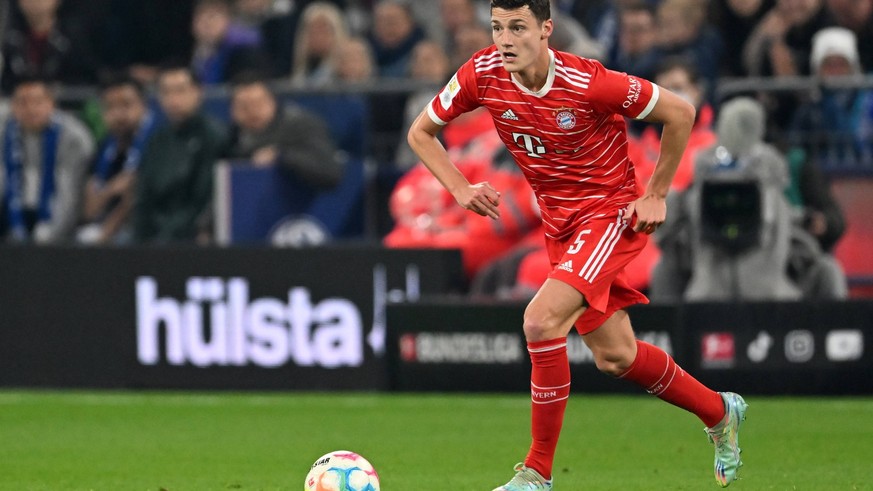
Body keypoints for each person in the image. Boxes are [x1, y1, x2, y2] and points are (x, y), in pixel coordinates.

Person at [406, 1, 748, 489]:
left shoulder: (589, 82)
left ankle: (536, 474)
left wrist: (654, 193)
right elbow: (422, 132)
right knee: (616, 356)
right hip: (560, 227)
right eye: (498, 27)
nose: (505, 39)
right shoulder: (481, 73)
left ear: (546, 30)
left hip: (609, 214)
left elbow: (681, 111)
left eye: (518, 28)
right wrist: (460, 187)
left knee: (540, 320)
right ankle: (720, 411)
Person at [134, 65, 227, 244]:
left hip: (190, 238)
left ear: (198, 92)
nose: (173, 99)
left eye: (180, 91)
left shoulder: (214, 137)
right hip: (153, 234)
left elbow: (203, 200)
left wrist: (167, 236)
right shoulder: (157, 140)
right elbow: (144, 196)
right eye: (166, 92)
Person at [0, 76, 94, 243]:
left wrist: (48, 240)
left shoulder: (73, 137)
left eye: (38, 101)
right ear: (13, 106)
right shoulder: (4, 131)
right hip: (9, 212)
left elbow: (69, 194)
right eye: (23, 102)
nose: (31, 109)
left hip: (58, 217)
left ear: (51, 103)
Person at [225, 73, 344, 188]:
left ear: (272, 101)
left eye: (258, 104)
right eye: (244, 106)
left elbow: (330, 173)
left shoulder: (301, 126)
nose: (253, 112)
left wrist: (282, 156)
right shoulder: (229, 138)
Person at [78, 75, 157, 245]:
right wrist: (111, 190)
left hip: (144, 229)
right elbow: (89, 208)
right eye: (111, 107)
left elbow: (134, 197)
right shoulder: (105, 145)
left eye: (126, 105)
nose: (119, 114)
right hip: (101, 227)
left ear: (143, 105)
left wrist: (104, 235)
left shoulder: (157, 140)